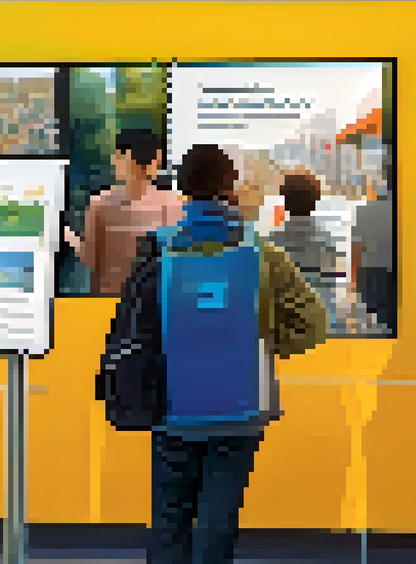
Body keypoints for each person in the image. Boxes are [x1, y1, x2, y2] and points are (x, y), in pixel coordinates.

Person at [108, 144, 327, 564]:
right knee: (217, 521)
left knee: (170, 519)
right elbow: (313, 323)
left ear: (184, 189)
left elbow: (135, 325)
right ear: (230, 187)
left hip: (171, 406)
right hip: (239, 407)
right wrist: (261, 340)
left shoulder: (156, 248)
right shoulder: (262, 252)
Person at [64, 129, 182, 297]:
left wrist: (68, 236)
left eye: (117, 155)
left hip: (111, 304)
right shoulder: (174, 203)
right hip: (154, 304)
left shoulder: (100, 204)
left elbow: (90, 260)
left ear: (123, 157)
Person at [269, 170, 347, 328]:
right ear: (315, 200)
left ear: (285, 200)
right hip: (320, 322)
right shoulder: (326, 239)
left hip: (285, 327)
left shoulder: (272, 241)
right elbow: (332, 283)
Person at [350, 177, 395, 334]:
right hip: (397, 274)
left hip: (371, 276)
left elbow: (356, 248)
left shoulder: (364, 211)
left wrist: (354, 281)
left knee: (378, 321)